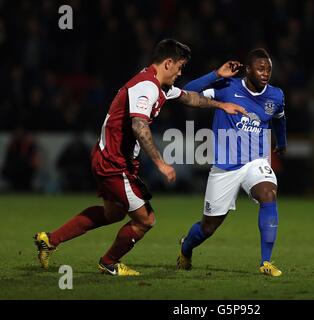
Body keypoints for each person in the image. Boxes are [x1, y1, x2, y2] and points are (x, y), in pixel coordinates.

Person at [34, 39, 246, 276]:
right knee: (146, 220)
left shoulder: (159, 85)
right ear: (168, 63)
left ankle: (49, 240)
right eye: (180, 67)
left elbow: (189, 98)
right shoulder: (146, 87)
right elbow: (139, 125)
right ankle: (109, 263)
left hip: (110, 158)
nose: (180, 72)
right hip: (114, 163)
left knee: (112, 214)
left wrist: (221, 105)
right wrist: (161, 163)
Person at [177, 48, 287, 276]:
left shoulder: (276, 95)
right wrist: (216, 74)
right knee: (208, 227)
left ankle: (266, 262)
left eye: (268, 69)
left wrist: (282, 143)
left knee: (269, 194)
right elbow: (185, 92)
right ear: (248, 70)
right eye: (260, 68)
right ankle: (186, 247)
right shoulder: (227, 87)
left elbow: (279, 119)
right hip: (225, 167)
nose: (265, 73)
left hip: (255, 161)